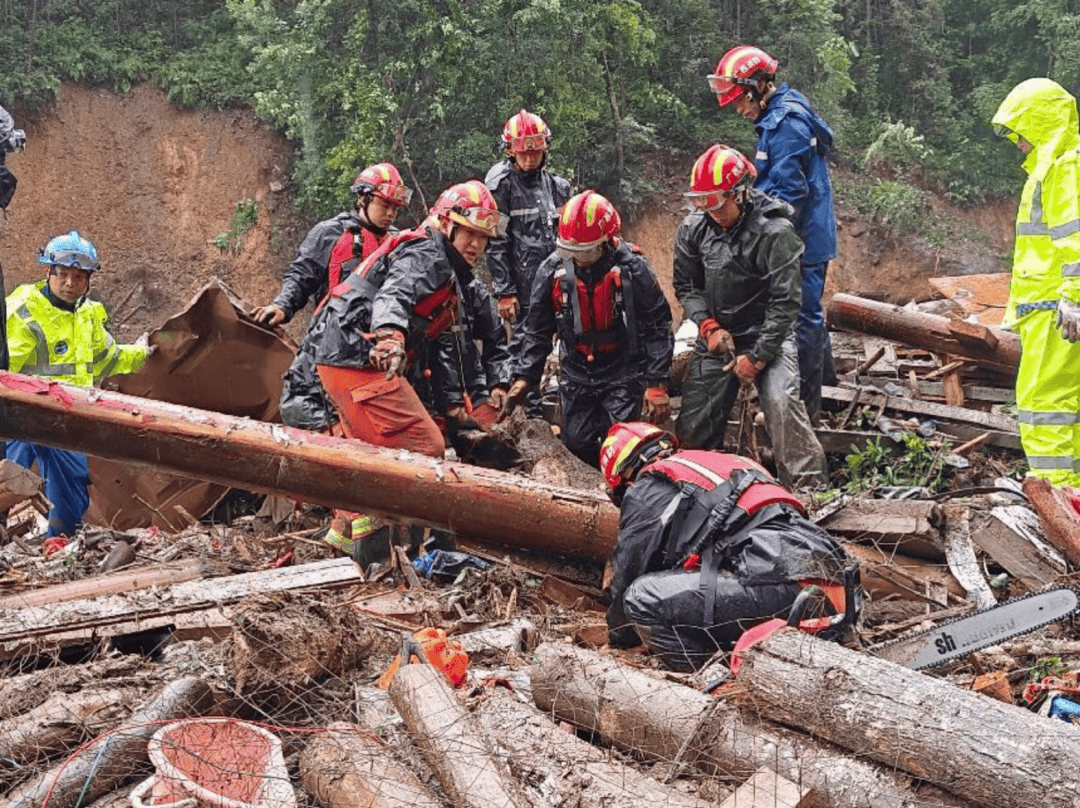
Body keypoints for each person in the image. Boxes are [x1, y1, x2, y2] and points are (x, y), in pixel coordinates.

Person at [279, 181, 510, 558]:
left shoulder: (447, 270)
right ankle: (392, 557)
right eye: (469, 233)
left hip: (345, 355)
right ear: (446, 224)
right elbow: (394, 295)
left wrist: (453, 405)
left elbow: (443, 346)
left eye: (483, 238)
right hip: (357, 357)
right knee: (422, 446)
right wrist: (389, 338)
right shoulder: (426, 254)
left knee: (376, 453)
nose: (476, 245)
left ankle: (346, 550)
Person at [599, 422, 846, 671]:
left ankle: (709, 683)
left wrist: (619, 637)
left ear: (624, 482)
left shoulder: (648, 486)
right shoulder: (720, 463)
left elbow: (630, 567)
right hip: (834, 584)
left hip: (787, 586)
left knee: (642, 597)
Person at [674, 144, 826, 488]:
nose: (710, 210)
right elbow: (685, 285)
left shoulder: (775, 233)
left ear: (740, 194)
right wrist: (707, 325)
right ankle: (692, 485)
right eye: (703, 201)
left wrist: (758, 357)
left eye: (717, 201)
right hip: (718, 330)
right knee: (695, 419)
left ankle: (811, 490)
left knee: (781, 403)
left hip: (766, 332)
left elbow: (785, 301)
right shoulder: (693, 228)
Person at [709, 46, 837, 422]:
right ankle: (824, 391)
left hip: (803, 238)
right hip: (801, 232)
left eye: (740, 101)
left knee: (804, 318)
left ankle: (807, 410)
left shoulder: (786, 125)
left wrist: (751, 231)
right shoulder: (780, 111)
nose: (739, 109)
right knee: (807, 315)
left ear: (758, 87)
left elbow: (786, 196)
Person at [502, 190, 674, 466]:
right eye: (570, 251)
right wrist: (525, 376)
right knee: (577, 444)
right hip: (576, 368)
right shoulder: (552, 270)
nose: (577, 258)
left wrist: (656, 382)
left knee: (622, 444)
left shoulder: (633, 269)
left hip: (622, 369)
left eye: (584, 251)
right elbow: (537, 330)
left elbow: (657, 325)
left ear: (605, 241)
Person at [4, 232, 150, 536]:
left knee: (71, 484)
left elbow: (109, 359)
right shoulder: (22, 311)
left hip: (66, 419)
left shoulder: (88, 315)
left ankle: (60, 541)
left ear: (89, 280)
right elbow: (6, 368)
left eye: (79, 277)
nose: (71, 283)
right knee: (8, 474)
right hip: (20, 414)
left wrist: (148, 348)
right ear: (48, 273)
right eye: (63, 275)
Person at [992, 79, 1080, 486]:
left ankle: (1059, 498)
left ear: (1042, 124)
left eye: (1023, 132)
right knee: (1062, 405)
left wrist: (1073, 298)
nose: (1019, 144)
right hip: (1048, 308)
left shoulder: (1064, 167)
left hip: (1053, 310)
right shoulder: (1054, 167)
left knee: (1043, 404)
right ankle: (1070, 493)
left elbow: (1074, 240)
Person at [485, 109, 572, 415]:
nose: (529, 158)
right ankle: (529, 420)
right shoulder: (502, 186)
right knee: (523, 351)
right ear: (510, 151)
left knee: (567, 346)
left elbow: (568, 239)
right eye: (523, 152)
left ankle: (569, 417)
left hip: (556, 281)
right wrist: (505, 291)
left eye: (535, 151)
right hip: (522, 287)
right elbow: (496, 243)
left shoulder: (558, 186)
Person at [252, 162, 411, 327]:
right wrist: (283, 306)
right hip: (330, 337)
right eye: (385, 205)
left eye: (396, 208)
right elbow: (302, 274)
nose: (391, 213)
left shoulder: (399, 243)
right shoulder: (330, 232)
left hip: (377, 341)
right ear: (364, 198)